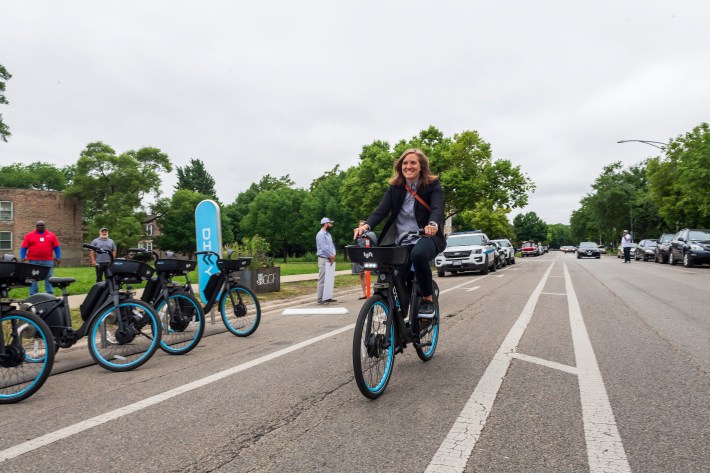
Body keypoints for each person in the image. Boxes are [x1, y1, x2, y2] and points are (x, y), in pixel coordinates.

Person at [353, 148, 445, 318]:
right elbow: (380, 211)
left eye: (413, 163)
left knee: (418, 255)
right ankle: (399, 325)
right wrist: (365, 226)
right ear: (400, 166)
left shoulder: (433, 186)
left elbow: (437, 209)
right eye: (405, 163)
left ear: (421, 166)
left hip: (426, 237)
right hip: (401, 241)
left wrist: (432, 224)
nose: (408, 166)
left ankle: (427, 300)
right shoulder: (395, 188)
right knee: (396, 277)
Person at [20, 220, 61, 295]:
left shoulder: (51, 235)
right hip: (33, 261)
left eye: (42, 225)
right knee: (33, 277)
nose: (40, 226)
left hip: (48, 260)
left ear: (45, 226)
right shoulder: (29, 235)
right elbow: (24, 247)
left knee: (49, 277)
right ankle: (33, 294)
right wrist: (22, 256)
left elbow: (56, 247)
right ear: (36, 226)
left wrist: (58, 257)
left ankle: (50, 294)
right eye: (38, 225)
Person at [352, 220, 377, 300]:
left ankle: (369, 292)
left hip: (367, 256)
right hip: (360, 256)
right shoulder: (357, 235)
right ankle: (364, 293)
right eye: (360, 225)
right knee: (361, 275)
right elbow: (355, 244)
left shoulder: (369, 235)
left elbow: (373, 245)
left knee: (367, 273)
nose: (361, 226)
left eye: (363, 225)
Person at [316, 217, 337, 304]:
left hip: (330, 258)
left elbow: (332, 245)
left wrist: (334, 254)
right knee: (322, 279)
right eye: (330, 223)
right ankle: (320, 299)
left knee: (329, 279)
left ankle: (327, 296)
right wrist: (331, 256)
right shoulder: (320, 234)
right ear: (325, 224)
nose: (331, 225)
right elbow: (324, 248)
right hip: (324, 258)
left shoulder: (328, 235)